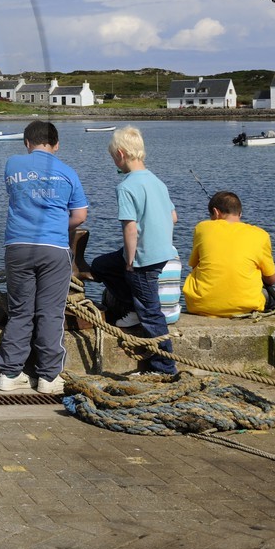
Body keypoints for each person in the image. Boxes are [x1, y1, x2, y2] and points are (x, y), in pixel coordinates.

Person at [0, 120, 88, 395]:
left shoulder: (12, 164)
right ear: (56, 145)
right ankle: (48, 376)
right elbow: (80, 216)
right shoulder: (69, 172)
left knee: (21, 310)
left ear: (26, 143)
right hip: (54, 248)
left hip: (18, 246)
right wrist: (59, 223)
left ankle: (10, 373)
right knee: (50, 312)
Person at [88, 126, 179, 375]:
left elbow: (130, 228)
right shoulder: (156, 180)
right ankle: (132, 306)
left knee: (151, 311)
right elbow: (173, 217)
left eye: (112, 158)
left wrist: (130, 260)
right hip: (162, 251)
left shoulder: (126, 187)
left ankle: (164, 366)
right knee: (101, 265)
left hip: (143, 256)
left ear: (119, 154)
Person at [182, 191, 275, 317]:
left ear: (216, 212)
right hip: (246, 306)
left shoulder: (202, 228)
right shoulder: (261, 235)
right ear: (240, 213)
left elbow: (194, 265)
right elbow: (271, 279)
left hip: (200, 305)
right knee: (271, 295)